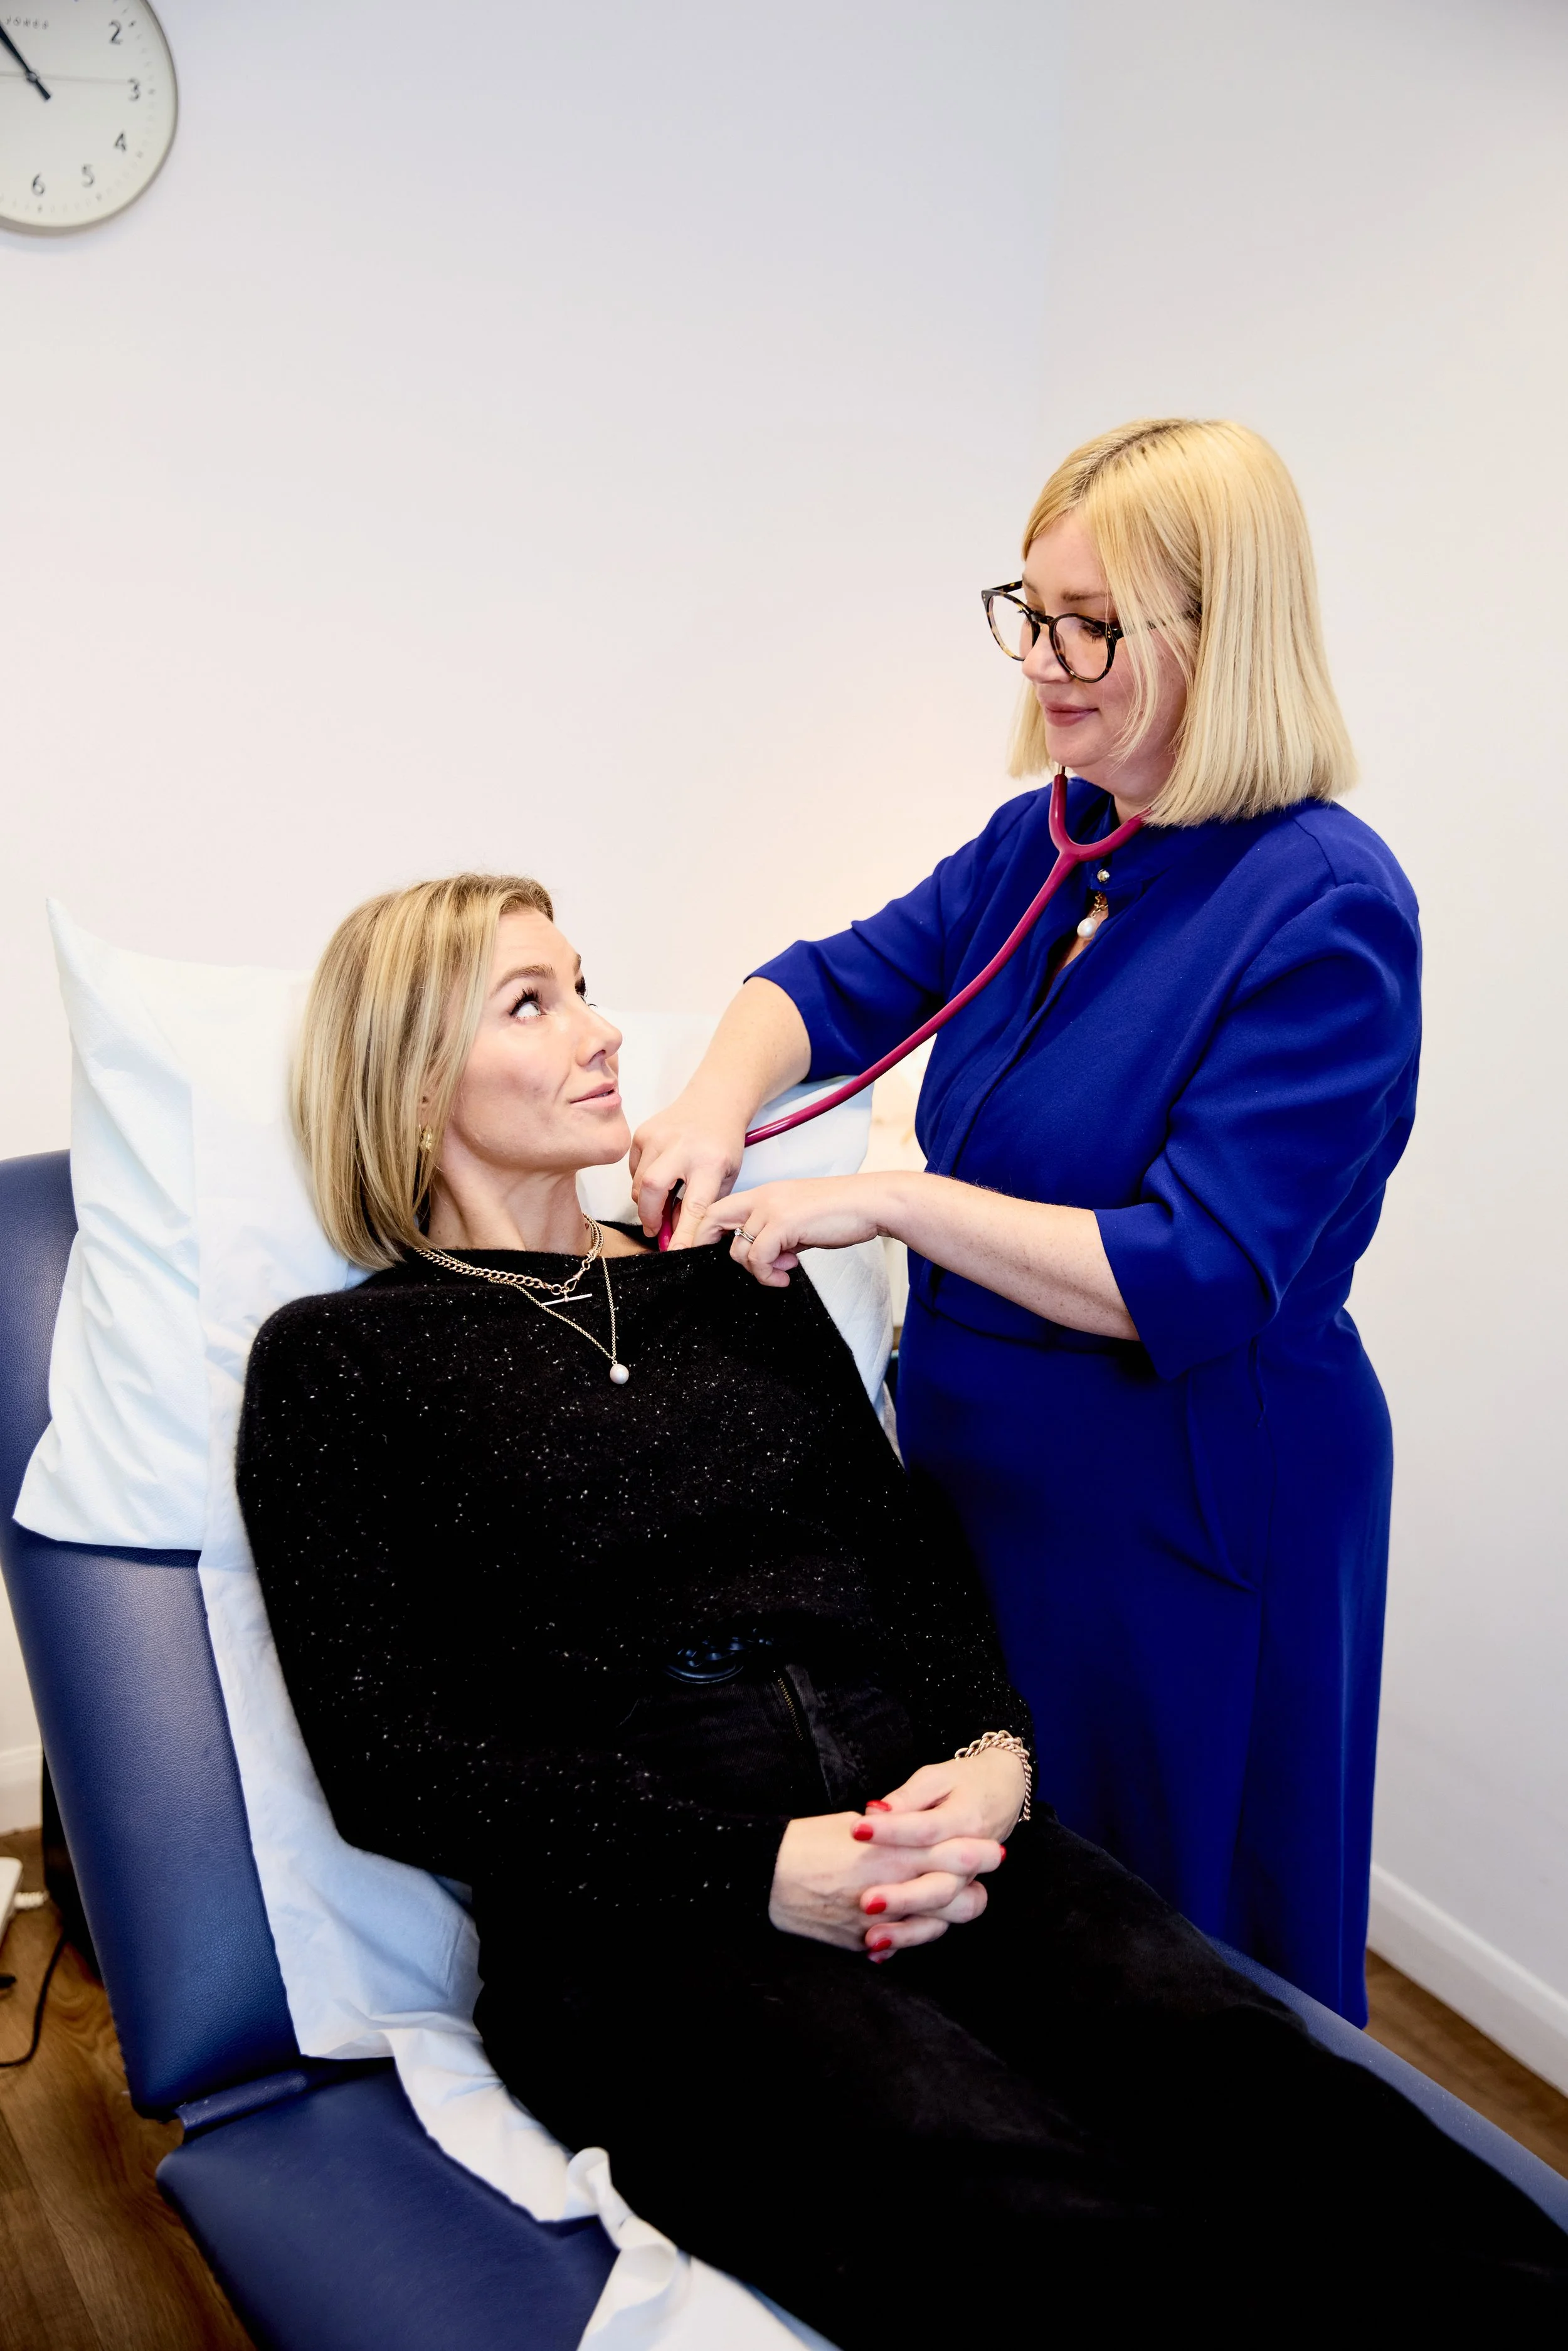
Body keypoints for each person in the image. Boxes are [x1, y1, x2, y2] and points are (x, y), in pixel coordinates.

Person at [236, 873, 1562, 2347]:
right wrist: (758, 1867)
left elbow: (906, 1557)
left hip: (926, 1808)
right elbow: (391, 1759)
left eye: (584, 984)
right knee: (1024, 2208)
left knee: (1268, 2092)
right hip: (646, 1914)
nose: (603, 1034)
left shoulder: (734, 1281)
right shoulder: (339, 1364)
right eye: (531, 1004)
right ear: (414, 1079)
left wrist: (996, 1755)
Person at [630, 417, 1419, 2022]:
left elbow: (1186, 1271)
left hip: (1189, 1508)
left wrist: (893, 1200)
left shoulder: (1324, 905)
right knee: (1024, 1913)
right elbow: (831, 981)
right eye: (1030, 609)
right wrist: (708, 1108)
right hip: (986, 1489)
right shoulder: (1051, 841)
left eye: (1090, 625)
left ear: (1223, 630)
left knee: (1182, 1927)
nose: (1043, 662)